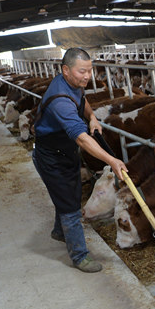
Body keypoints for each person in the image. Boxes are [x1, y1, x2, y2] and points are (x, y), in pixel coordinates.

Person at [32, 48, 127, 272]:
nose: (87, 76)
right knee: (70, 206)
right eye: (82, 71)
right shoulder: (60, 101)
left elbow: (82, 100)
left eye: (90, 70)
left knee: (70, 193)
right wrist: (111, 160)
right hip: (51, 157)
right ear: (66, 70)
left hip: (65, 151)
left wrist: (92, 117)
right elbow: (82, 139)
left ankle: (59, 232)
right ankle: (80, 256)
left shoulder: (72, 84)